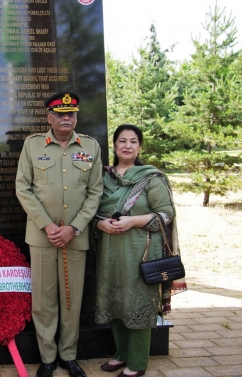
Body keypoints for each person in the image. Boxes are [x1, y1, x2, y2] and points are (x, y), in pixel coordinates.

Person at [15, 91, 103, 377]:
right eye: (61, 114)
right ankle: (48, 358)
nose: (67, 118)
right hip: (42, 237)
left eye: (71, 114)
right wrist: (48, 225)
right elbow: (23, 188)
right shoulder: (33, 145)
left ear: (76, 117)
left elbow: (95, 192)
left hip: (75, 236)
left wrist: (74, 227)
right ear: (49, 117)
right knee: (43, 300)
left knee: (71, 299)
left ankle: (69, 355)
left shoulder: (89, 146)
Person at [93, 124, 186, 377]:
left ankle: (137, 361)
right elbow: (91, 211)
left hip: (142, 250)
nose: (127, 146)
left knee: (138, 304)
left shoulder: (151, 178)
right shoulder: (103, 177)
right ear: (113, 145)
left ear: (140, 146)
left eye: (133, 141)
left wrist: (132, 221)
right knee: (114, 301)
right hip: (110, 250)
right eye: (122, 141)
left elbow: (165, 216)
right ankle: (121, 354)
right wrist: (101, 223)